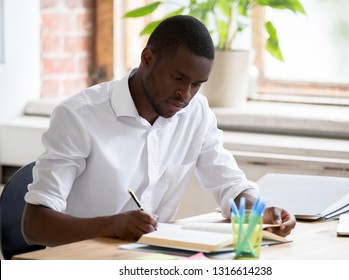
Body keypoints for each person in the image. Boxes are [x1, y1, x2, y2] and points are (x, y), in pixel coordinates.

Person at [22, 15, 295, 247]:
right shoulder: (79, 116)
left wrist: (256, 210)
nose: (185, 95)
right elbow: (35, 224)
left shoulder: (195, 112)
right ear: (148, 58)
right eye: (178, 79)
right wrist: (111, 225)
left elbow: (230, 183)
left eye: (197, 84)